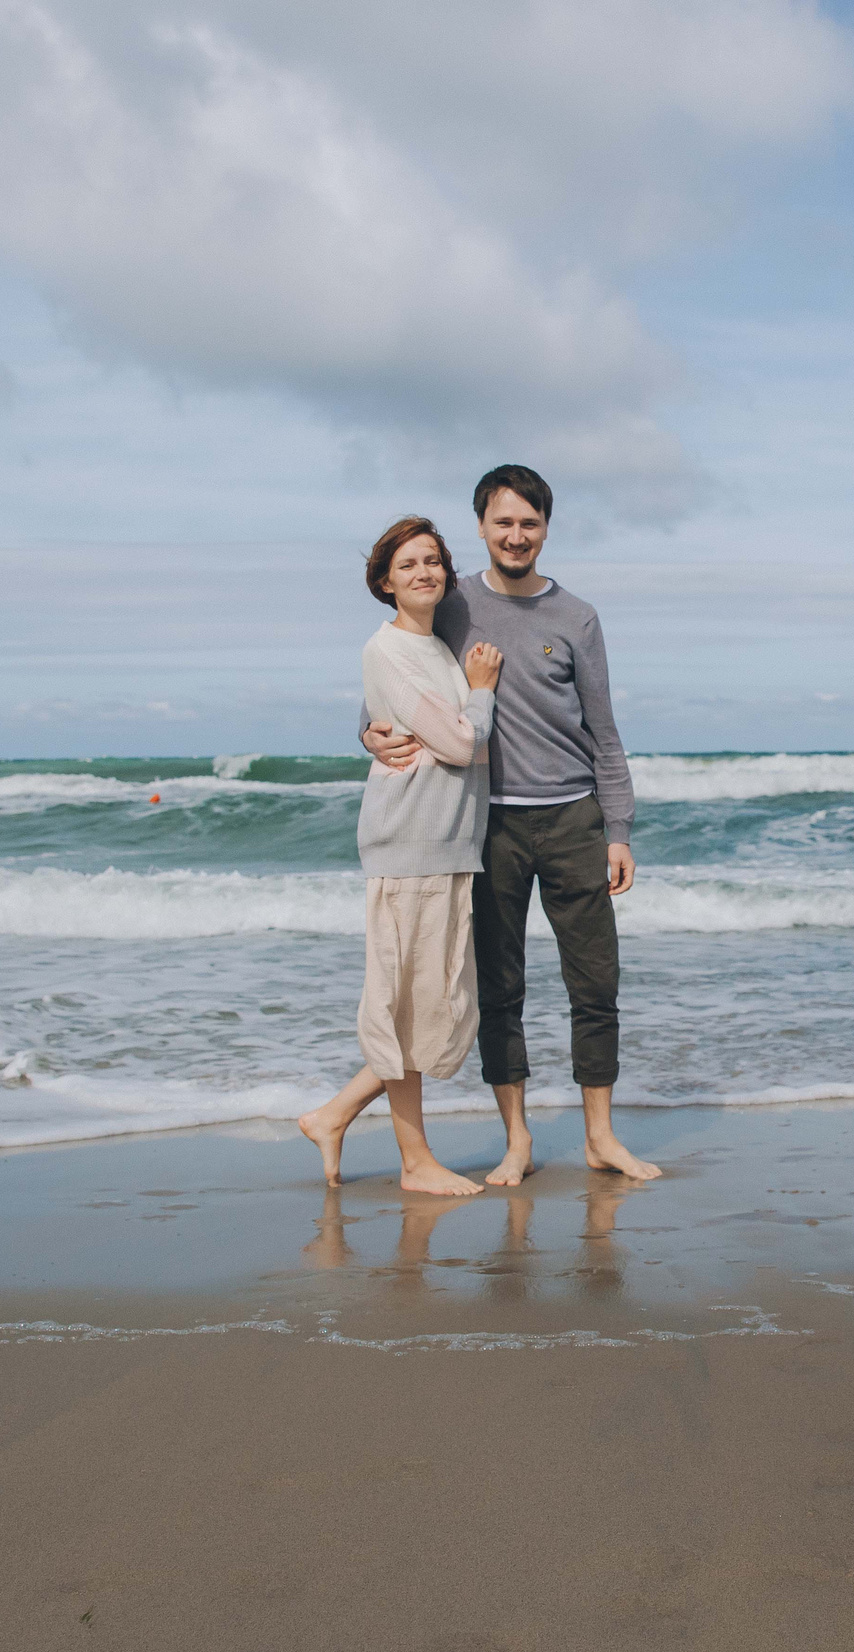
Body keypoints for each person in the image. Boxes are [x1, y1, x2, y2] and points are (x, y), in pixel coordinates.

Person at [362, 465, 660, 1185]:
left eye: (529, 522)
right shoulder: (453, 601)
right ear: (481, 527)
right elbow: (392, 690)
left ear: (546, 528)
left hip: (572, 819)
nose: (516, 534)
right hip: (485, 825)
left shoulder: (577, 617)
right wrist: (366, 736)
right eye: (503, 522)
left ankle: (599, 1137)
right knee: (500, 988)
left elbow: (605, 731)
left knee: (596, 983)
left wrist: (617, 827)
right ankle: (517, 1139)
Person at [298, 518, 503, 1196]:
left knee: (422, 1007)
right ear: (385, 580)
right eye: (410, 564)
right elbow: (462, 744)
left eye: (435, 561)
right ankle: (414, 1162)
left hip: (444, 845)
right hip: (410, 846)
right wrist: (482, 690)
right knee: (402, 1008)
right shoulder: (389, 649)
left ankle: (333, 1115)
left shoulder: (434, 649)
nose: (426, 572)